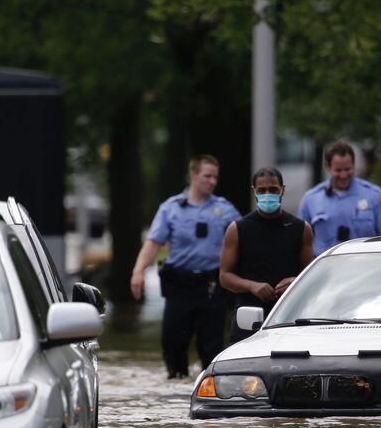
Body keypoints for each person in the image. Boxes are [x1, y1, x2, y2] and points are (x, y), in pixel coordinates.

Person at [131, 154, 241, 378]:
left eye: (215, 177)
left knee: (211, 345)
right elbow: (153, 243)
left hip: (211, 284)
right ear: (193, 174)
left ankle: (210, 389)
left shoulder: (224, 208)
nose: (212, 181)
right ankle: (176, 381)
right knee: (173, 342)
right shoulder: (171, 208)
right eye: (207, 176)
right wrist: (138, 271)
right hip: (179, 284)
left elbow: (244, 239)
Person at [219, 167, 314, 340]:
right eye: (262, 191)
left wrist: (295, 282)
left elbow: (312, 275)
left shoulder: (301, 228)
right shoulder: (238, 229)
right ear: (254, 191)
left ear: (282, 190)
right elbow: (225, 277)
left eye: (273, 190)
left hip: (289, 314)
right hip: (248, 315)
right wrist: (251, 286)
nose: (267, 195)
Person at [297, 140, 381, 255]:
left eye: (347, 169)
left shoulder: (374, 195)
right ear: (327, 167)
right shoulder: (311, 199)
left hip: (366, 267)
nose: (343, 175)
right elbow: (300, 243)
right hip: (326, 269)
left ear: (354, 165)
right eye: (338, 170)